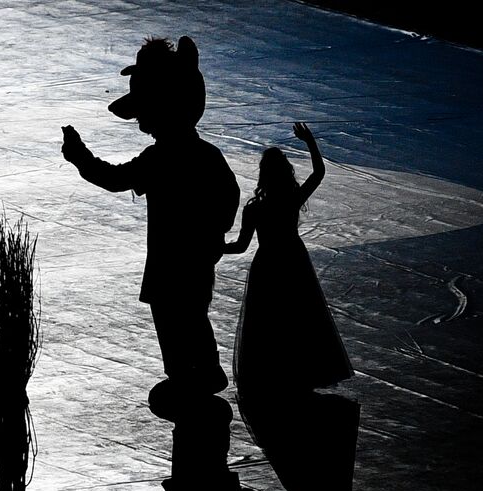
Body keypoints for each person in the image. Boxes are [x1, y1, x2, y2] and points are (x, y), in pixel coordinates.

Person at [60, 37, 239, 408]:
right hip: (195, 261)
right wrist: (212, 240)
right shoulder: (205, 155)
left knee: (176, 321)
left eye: (144, 109)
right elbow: (229, 198)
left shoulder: (160, 159)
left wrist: (80, 157)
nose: (140, 118)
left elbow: (113, 178)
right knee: (190, 316)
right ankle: (201, 371)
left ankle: (192, 374)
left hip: (170, 262)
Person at [224, 122, 353, 411]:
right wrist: (310, 142)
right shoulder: (292, 199)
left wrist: (210, 246)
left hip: (268, 266)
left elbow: (241, 246)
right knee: (299, 318)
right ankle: (299, 373)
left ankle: (272, 376)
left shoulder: (254, 208)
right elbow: (319, 173)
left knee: (269, 321)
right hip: (293, 262)